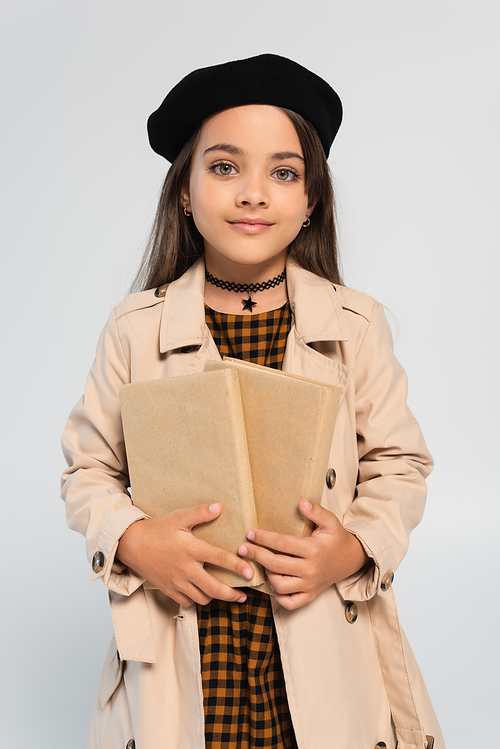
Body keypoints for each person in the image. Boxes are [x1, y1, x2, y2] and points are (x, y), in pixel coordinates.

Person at [61, 54, 445, 749]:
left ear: (311, 202)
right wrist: (134, 539)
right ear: (184, 190)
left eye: (284, 172)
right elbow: (87, 471)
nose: (253, 193)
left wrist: (352, 547)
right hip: (188, 648)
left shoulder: (355, 327)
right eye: (224, 167)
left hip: (320, 640)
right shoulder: (133, 329)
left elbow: (400, 463)